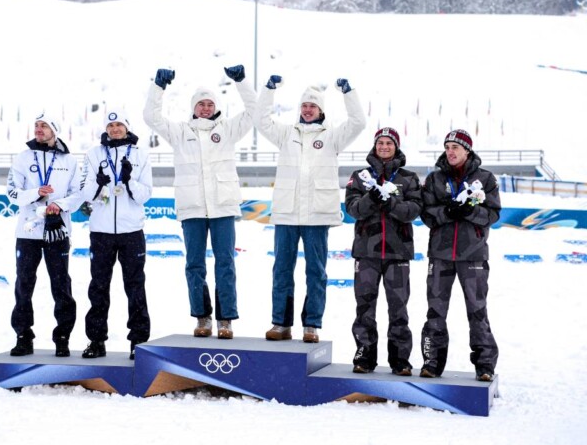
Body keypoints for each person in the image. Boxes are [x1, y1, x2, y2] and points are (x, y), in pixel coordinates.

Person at [143, 65, 256, 339]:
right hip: (192, 208)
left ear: (216, 107)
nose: (205, 108)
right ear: (193, 108)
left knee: (225, 263)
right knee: (194, 264)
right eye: (200, 104)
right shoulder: (180, 132)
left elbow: (254, 112)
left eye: (210, 104)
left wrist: (241, 82)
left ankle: (225, 319)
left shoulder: (228, 130)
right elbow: (151, 116)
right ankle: (202, 317)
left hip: (223, 208)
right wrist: (158, 87)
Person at [256, 76, 365, 343]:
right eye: (304, 106)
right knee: (282, 269)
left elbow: (358, 123)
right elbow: (261, 121)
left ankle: (311, 324)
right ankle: (281, 323)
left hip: (317, 214)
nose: (307, 110)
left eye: (312, 106)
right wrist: (269, 91)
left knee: (316, 271)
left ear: (321, 110)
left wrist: (348, 93)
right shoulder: (285, 134)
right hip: (287, 214)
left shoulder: (333, 137)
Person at [419, 129, 500, 382]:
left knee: (477, 311)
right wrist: (448, 212)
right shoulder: (434, 179)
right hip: (440, 256)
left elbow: (493, 214)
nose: (450, 151)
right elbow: (427, 215)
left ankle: (484, 365)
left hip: (473, 256)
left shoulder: (485, 179)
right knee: (435, 311)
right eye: (447, 147)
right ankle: (431, 363)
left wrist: (468, 212)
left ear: (467, 150)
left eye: (456, 147)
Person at [344, 128, 422, 375]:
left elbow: (414, 210)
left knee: (398, 308)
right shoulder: (360, 176)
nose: (384, 147)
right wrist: (372, 199)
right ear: (375, 146)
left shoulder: (408, 178)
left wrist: (391, 203)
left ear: (396, 146)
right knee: (364, 307)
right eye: (380, 143)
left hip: (398, 253)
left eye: (389, 143)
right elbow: (353, 209)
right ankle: (364, 357)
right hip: (367, 252)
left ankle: (400, 360)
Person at [6, 113, 82, 357]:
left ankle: (62, 337)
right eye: (36, 125)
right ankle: (23, 336)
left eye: (44, 126)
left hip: (57, 229)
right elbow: (11, 193)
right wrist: (35, 193)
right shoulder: (22, 158)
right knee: (24, 285)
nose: (39, 129)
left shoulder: (69, 161)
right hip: (28, 231)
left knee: (61, 285)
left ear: (54, 131)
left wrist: (58, 204)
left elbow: (78, 194)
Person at [79, 109, 153, 360]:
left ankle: (139, 341)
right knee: (98, 287)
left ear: (127, 127)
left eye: (119, 124)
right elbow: (85, 193)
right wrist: (99, 184)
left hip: (131, 230)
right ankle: (96, 340)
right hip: (101, 231)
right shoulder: (93, 154)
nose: (115, 129)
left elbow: (145, 194)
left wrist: (129, 180)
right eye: (110, 126)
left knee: (135, 286)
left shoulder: (141, 154)